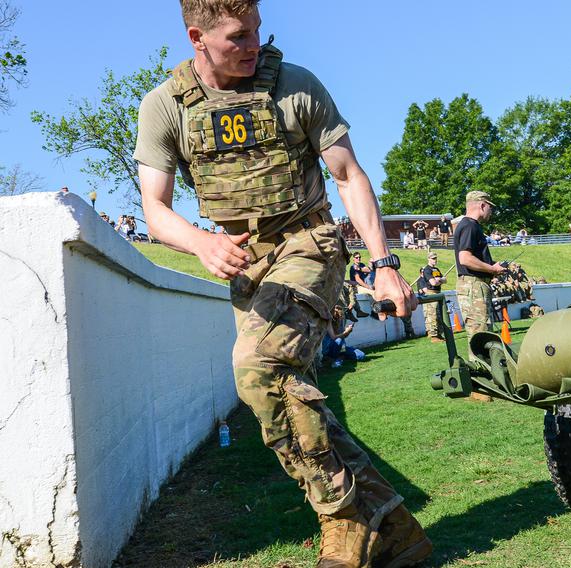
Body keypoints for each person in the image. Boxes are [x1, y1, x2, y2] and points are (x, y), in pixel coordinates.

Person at [133, 2, 429, 566]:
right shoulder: (165, 107)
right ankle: (394, 528)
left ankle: (341, 518)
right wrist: (201, 242)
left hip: (309, 244)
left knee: (258, 367)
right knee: (282, 393)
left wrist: (384, 262)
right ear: (197, 37)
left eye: (257, 32)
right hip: (245, 265)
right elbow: (155, 211)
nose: (254, 45)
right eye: (237, 37)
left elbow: (348, 175)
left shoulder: (294, 87)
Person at [454, 191, 506, 340]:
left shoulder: (469, 225)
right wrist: (492, 269)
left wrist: (492, 268)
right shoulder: (470, 226)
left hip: (475, 284)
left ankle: (482, 362)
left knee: (483, 332)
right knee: (480, 334)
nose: (491, 211)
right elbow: (465, 258)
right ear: (482, 205)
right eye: (491, 207)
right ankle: (481, 363)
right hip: (474, 285)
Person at [420, 252, 446, 342]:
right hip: (431, 293)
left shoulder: (436, 269)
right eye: (433, 258)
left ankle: (439, 335)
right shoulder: (427, 270)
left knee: (439, 315)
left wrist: (439, 280)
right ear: (428, 259)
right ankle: (433, 336)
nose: (435, 260)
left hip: (438, 292)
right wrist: (439, 280)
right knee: (432, 315)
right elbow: (433, 283)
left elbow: (445, 279)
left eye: (435, 258)